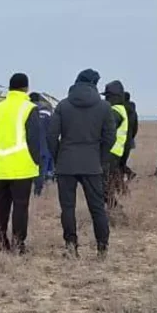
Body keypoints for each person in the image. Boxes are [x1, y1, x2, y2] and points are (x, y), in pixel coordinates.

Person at [47, 69, 116, 259]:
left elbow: (52, 135)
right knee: (97, 208)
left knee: (67, 208)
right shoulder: (104, 107)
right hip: (92, 163)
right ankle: (102, 249)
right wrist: (100, 157)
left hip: (66, 163)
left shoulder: (63, 106)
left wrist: (58, 156)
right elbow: (110, 137)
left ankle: (71, 247)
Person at [0, 73, 40, 254]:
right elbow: (35, 139)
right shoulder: (29, 108)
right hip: (22, 167)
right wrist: (37, 162)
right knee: (20, 206)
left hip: (0, 166)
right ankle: (19, 245)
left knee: (1, 205)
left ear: (10, 88)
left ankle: (1, 243)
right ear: (26, 88)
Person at [101, 81, 129, 216]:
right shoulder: (120, 109)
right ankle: (112, 212)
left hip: (110, 154)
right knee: (106, 187)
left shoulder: (115, 111)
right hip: (115, 154)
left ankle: (117, 213)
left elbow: (106, 131)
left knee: (104, 187)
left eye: (107, 96)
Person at [29, 92, 53, 196]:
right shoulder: (47, 114)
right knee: (41, 172)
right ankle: (37, 192)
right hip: (43, 147)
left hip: (28, 147)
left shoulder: (27, 111)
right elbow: (52, 132)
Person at [121, 91, 138, 180]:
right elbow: (135, 127)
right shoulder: (133, 111)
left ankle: (128, 174)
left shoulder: (121, 109)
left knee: (118, 162)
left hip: (120, 139)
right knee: (122, 161)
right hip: (129, 139)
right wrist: (131, 137)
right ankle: (129, 173)